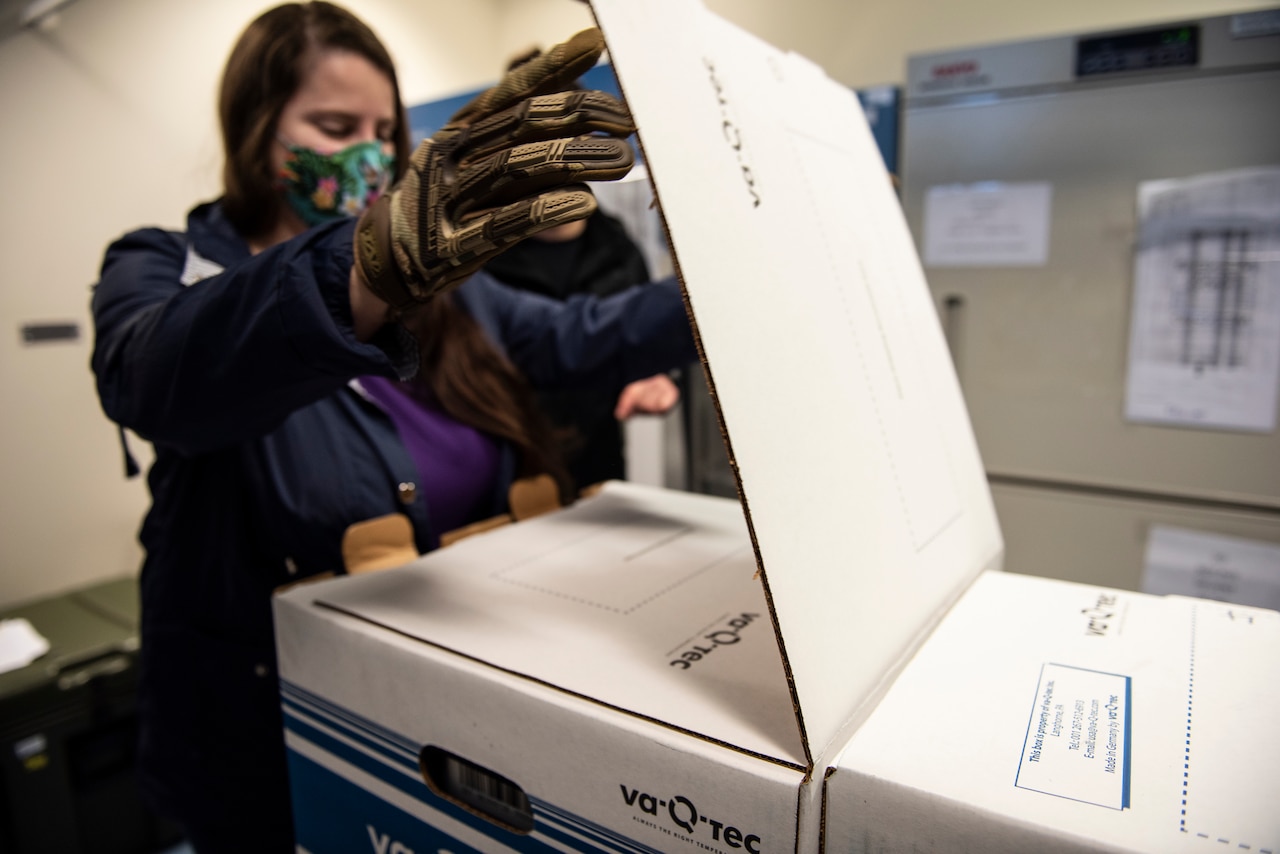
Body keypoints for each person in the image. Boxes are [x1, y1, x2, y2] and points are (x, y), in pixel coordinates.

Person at [89, 4, 694, 851]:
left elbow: (571, 335)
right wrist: (361, 272)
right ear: (255, 128)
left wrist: (715, 277)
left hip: (439, 736)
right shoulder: (164, 265)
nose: (368, 152)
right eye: (335, 127)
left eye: (383, 128)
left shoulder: (443, 283)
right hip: (270, 754)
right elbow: (154, 377)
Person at [483, 49, 681, 488]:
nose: (550, 158)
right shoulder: (477, 260)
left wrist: (651, 374)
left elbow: (635, 339)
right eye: (530, 141)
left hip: (600, 477)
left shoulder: (620, 249)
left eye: (565, 137)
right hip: (506, 480)